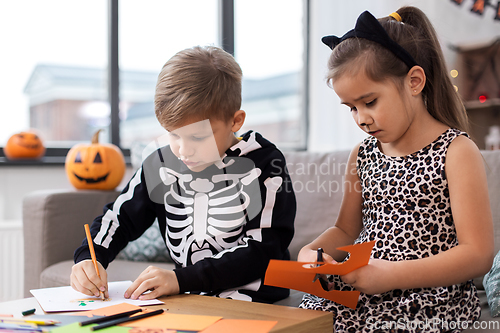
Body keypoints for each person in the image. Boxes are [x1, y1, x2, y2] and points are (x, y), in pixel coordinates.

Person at [298, 7, 493, 332]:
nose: (361, 118)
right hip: (362, 289)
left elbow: (477, 254)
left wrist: (389, 275)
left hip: (430, 299)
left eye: (370, 102)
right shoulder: (362, 155)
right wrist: (312, 250)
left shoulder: (456, 152)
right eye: (352, 108)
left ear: (414, 82)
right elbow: (346, 231)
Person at [70, 45, 296, 304]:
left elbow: (265, 249)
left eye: (198, 137)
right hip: (189, 294)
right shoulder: (161, 163)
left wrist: (180, 279)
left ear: (235, 121)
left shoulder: (265, 163)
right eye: (174, 135)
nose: (184, 151)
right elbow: (119, 219)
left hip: (255, 297)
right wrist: (90, 257)